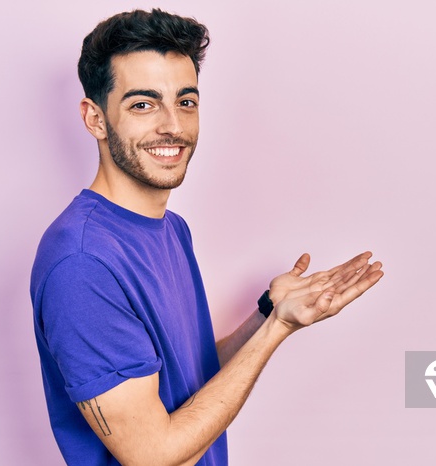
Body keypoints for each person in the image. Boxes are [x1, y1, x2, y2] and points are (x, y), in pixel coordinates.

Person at [30, 8, 384, 466]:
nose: (173, 126)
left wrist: (268, 315)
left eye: (186, 101)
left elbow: (184, 378)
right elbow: (152, 454)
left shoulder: (171, 229)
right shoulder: (82, 263)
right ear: (95, 119)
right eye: (143, 103)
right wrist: (277, 331)